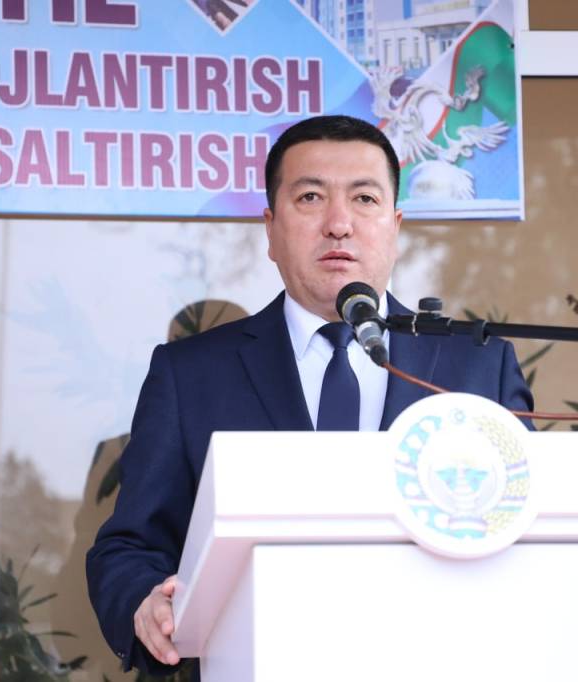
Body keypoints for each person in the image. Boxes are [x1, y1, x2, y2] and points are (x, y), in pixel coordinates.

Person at [86, 115, 533, 678]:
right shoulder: (191, 374)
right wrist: (145, 600)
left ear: (395, 226)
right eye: (311, 198)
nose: (339, 224)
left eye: (364, 198)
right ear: (270, 229)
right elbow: (128, 547)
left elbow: (527, 533)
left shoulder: (478, 367)